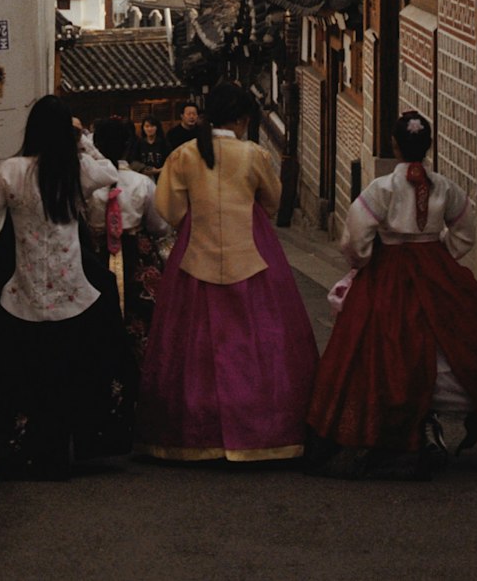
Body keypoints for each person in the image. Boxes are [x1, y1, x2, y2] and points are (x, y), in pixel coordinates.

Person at [0, 96, 134, 479]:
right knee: (72, 364)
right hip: (73, 286)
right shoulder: (77, 169)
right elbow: (111, 174)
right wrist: (84, 140)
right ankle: (70, 444)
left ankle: (24, 443)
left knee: (17, 366)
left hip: (22, 284)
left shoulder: (11, 170)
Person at [306, 109, 477, 479]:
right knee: (446, 337)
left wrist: (364, 261)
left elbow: (355, 237)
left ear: (395, 145)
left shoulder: (382, 188)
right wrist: (441, 254)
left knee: (376, 343)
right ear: (428, 145)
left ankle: (383, 428)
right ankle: (428, 419)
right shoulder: (445, 187)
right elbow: (466, 231)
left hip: (389, 271)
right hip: (434, 268)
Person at [135, 81, 319, 462]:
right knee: (263, 334)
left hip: (195, 251)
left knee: (190, 340)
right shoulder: (254, 155)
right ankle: (262, 427)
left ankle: (194, 430)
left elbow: (167, 207)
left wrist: (194, 219)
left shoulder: (184, 155)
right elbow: (272, 200)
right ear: (242, 118)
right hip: (252, 250)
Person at [87, 116, 170, 363]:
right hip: (137, 256)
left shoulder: (86, 183)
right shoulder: (142, 182)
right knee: (143, 316)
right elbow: (159, 226)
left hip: (94, 255)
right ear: (128, 145)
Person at [130, 115, 168, 179]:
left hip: (161, 177)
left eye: (152, 126)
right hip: (143, 178)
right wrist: (142, 169)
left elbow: (170, 162)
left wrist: (157, 171)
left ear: (157, 127)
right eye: (147, 126)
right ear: (143, 128)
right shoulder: (139, 143)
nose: (149, 129)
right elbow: (133, 160)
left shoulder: (164, 143)